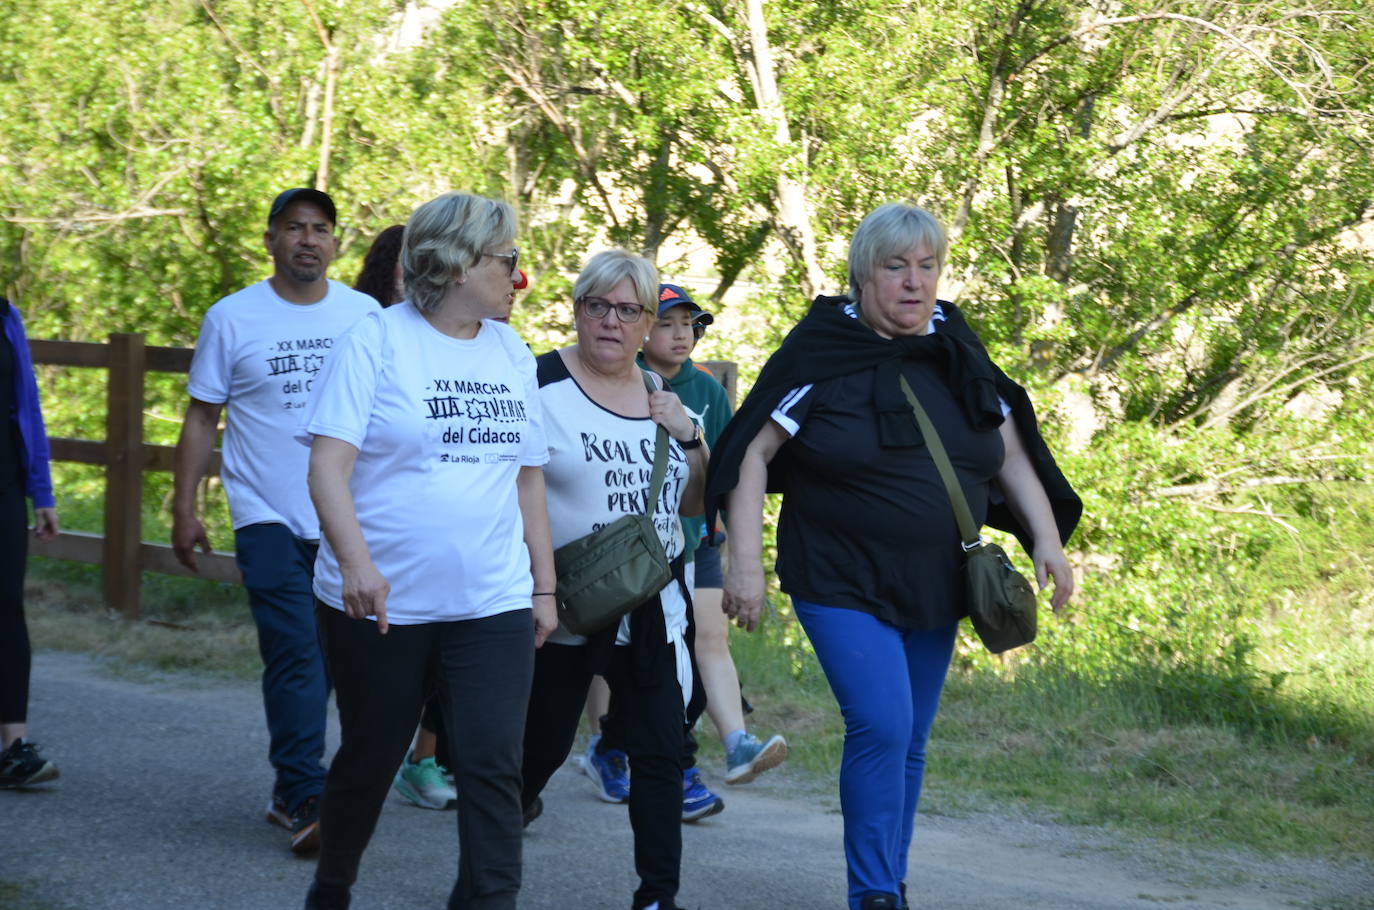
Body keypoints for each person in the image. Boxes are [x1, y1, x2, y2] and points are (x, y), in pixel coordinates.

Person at [705, 203, 1081, 910]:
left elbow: (1009, 454)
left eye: (927, 266)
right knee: (880, 723)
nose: (914, 282)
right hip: (838, 575)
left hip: (937, 579)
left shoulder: (954, 347)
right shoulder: (821, 353)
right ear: (861, 274)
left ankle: (890, 880)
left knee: (908, 737)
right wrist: (744, 564)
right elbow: (752, 451)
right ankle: (873, 892)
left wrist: (1047, 542)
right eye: (895, 266)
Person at [298, 192, 555, 910]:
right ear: (459, 262)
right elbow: (327, 465)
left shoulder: (510, 350)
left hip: (492, 598)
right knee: (371, 757)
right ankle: (333, 885)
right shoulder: (376, 339)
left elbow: (527, 476)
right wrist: (356, 565)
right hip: (384, 601)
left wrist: (543, 586)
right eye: (507, 260)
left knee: (492, 765)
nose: (518, 275)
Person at [172, 188, 379, 854]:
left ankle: (315, 784)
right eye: (295, 228)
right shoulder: (232, 318)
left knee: (349, 664)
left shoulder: (366, 316)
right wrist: (184, 505)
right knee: (295, 656)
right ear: (270, 239)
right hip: (266, 515)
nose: (308, 240)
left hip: (348, 518)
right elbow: (203, 417)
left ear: (336, 243)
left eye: (321, 229)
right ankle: (302, 793)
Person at [520, 250, 708, 910]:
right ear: (576, 310)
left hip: (651, 606)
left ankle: (657, 896)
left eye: (629, 310)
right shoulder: (537, 382)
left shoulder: (663, 397)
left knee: (660, 751)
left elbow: (692, 506)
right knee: (537, 749)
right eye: (596, 306)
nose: (610, 321)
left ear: (649, 322)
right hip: (564, 602)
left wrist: (690, 438)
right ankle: (502, 829)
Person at [639, 283, 787, 786]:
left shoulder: (707, 390)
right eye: (667, 323)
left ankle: (736, 743)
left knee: (710, 637)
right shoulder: (625, 380)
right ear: (641, 327)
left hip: (699, 537)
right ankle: (604, 746)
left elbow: (730, 467)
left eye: (689, 324)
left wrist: (725, 539)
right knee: (624, 649)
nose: (682, 335)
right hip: (636, 545)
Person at [0, 296, 61, 790]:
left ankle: (14, 748)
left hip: (4, 478)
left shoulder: (5, 315)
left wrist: (42, 489)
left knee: (7, 605)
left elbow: (28, 399)